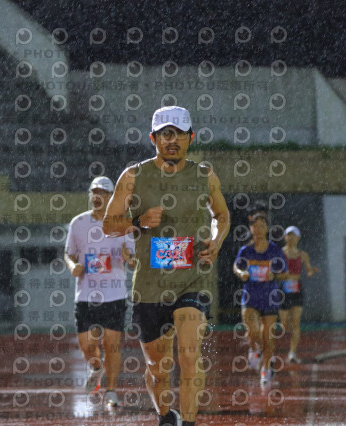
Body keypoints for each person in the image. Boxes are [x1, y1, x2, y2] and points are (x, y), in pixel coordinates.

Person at [103, 106, 230, 426]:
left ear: (191, 137)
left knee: (189, 355)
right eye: (165, 134)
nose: (172, 140)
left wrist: (216, 241)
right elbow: (108, 224)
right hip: (149, 287)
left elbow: (222, 216)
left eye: (179, 134)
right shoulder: (133, 176)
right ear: (153, 139)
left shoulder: (205, 175)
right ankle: (164, 416)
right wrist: (137, 221)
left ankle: (188, 422)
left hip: (192, 281)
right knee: (157, 368)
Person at [64, 176, 135, 407]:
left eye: (103, 193)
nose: (97, 196)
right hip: (86, 295)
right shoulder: (78, 223)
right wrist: (73, 266)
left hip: (114, 295)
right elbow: (68, 253)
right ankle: (95, 367)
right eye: (94, 192)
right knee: (87, 345)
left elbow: (133, 261)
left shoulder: (123, 225)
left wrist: (128, 258)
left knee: (111, 346)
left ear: (111, 197)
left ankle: (111, 391)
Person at [233, 213, 287, 385]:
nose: (258, 229)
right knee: (253, 331)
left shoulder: (275, 251)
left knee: (268, 336)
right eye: (255, 226)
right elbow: (236, 266)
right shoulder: (246, 250)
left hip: (269, 298)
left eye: (262, 225)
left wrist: (274, 275)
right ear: (251, 229)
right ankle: (254, 348)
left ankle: (266, 369)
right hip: (250, 296)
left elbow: (284, 273)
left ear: (267, 228)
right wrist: (241, 273)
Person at [278, 225, 319, 364]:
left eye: (293, 235)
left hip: (296, 290)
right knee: (284, 324)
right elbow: (274, 273)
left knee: (296, 323)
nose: (291, 238)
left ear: (298, 238)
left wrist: (311, 271)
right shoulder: (279, 253)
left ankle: (292, 353)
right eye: (288, 235)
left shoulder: (303, 255)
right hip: (283, 290)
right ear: (285, 237)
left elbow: (308, 270)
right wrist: (283, 276)